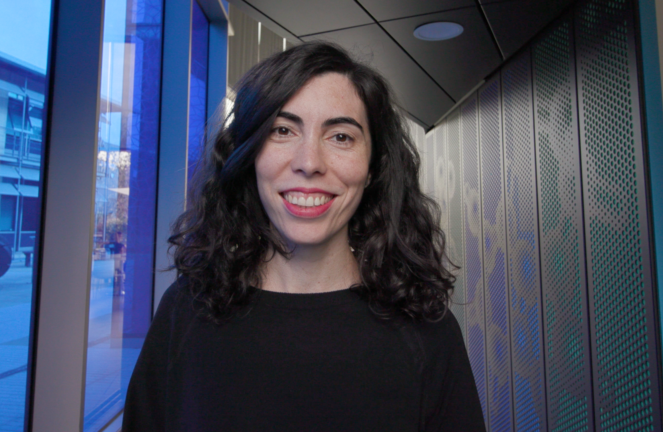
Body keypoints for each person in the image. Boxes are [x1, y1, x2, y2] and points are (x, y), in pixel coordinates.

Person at [122, 42, 485, 431]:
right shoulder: (185, 312)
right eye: (282, 130)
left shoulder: (426, 334)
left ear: (373, 166)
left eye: (341, 137)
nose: (309, 163)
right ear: (247, 155)